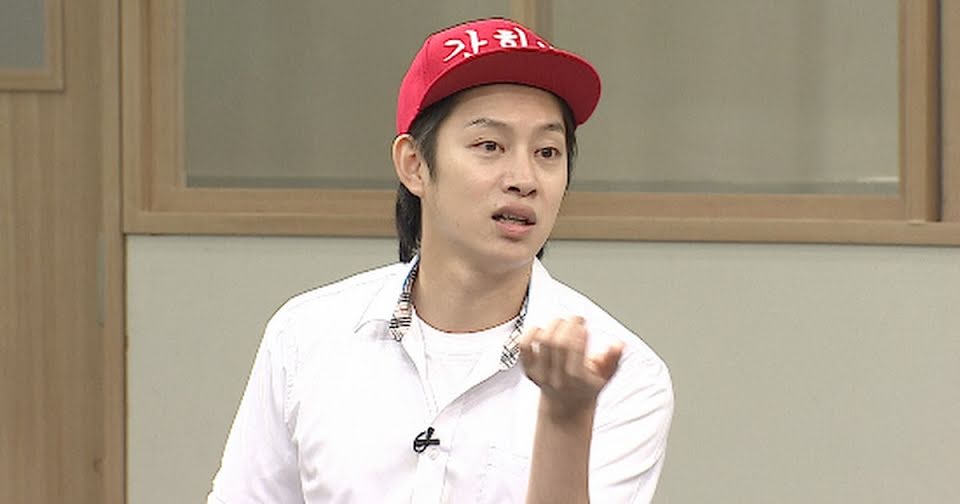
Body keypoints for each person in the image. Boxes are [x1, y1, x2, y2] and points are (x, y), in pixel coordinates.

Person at [208, 17, 673, 504]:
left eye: (547, 152)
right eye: (490, 146)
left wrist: (567, 416)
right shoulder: (306, 337)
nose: (524, 178)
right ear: (414, 164)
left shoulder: (620, 374)